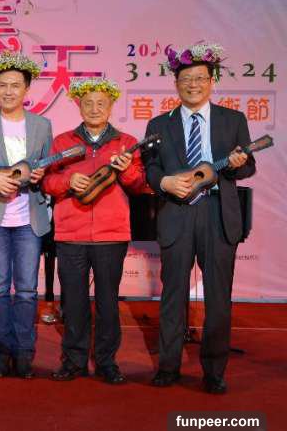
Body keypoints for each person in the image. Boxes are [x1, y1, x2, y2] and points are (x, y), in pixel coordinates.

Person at [144, 43, 256, 394]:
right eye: (186, 79)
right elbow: (150, 168)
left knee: (218, 298)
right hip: (176, 213)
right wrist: (164, 182)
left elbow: (249, 166)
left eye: (200, 78)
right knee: (172, 294)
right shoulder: (158, 124)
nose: (193, 85)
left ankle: (214, 371)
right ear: (176, 84)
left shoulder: (233, 120)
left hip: (218, 213)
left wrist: (237, 165)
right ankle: (168, 366)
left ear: (212, 81)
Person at [43, 77, 149, 384]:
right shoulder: (62, 141)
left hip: (111, 234)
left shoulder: (127, 142)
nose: (94, 108)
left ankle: (106, 362)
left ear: (111, 105)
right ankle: (74, 361)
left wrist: (127, 169)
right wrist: (67, 181)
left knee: (108, 303)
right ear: (79, 105)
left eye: (101, 103)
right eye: (88, 103)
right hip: (70, 234)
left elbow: (139, 184)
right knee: (73, 303)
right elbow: (47, 181)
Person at [0, 51, 52, 379]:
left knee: (28, 290)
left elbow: (46, 167)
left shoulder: (42, 125)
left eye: (15, 85)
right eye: (2, 85)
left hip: (29, 217)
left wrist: (41, 175)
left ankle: (25, 352)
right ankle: (1, 351)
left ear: (27, 88)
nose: (8, 91)